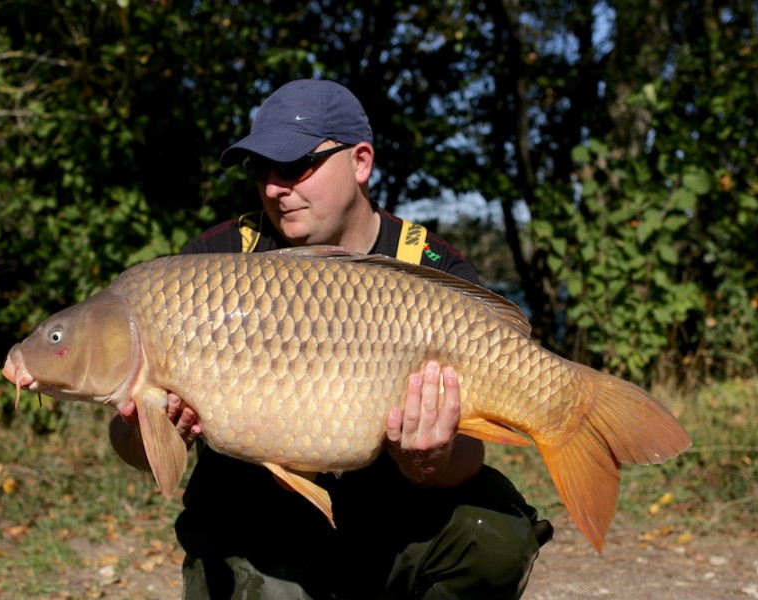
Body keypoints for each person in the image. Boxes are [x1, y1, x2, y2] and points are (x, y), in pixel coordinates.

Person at [111, 79, 552, 599]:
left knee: (494, 539)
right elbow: (130, 445)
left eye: (295, 165)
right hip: (256, 530)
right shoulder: (211, 265)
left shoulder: (431, 269)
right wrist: (154, 433)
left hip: (393, 524)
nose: (275, 187)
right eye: (261, 170)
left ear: (361, 162)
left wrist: (428, 461)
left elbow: (468, 458)